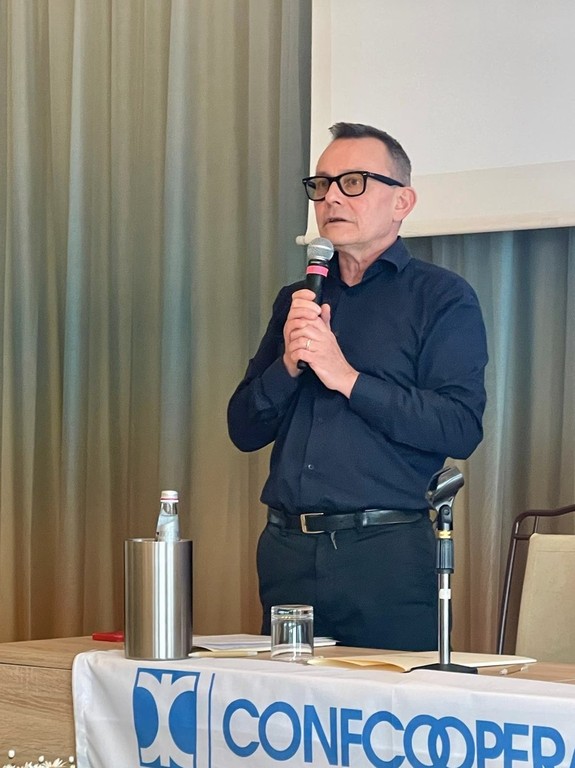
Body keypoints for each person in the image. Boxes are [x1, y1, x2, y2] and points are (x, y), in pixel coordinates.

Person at [227, 122, 488, 651]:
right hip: (287, 551)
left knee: (389, 703)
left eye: (352, 182)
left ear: (402, 201)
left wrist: (346, 377)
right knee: (284, 701)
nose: (331, 198)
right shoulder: (298, 298)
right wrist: (289, 366)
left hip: (384, 555)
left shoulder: (440, 297)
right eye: (321, 184)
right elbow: (243, 429)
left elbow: (459, 428)